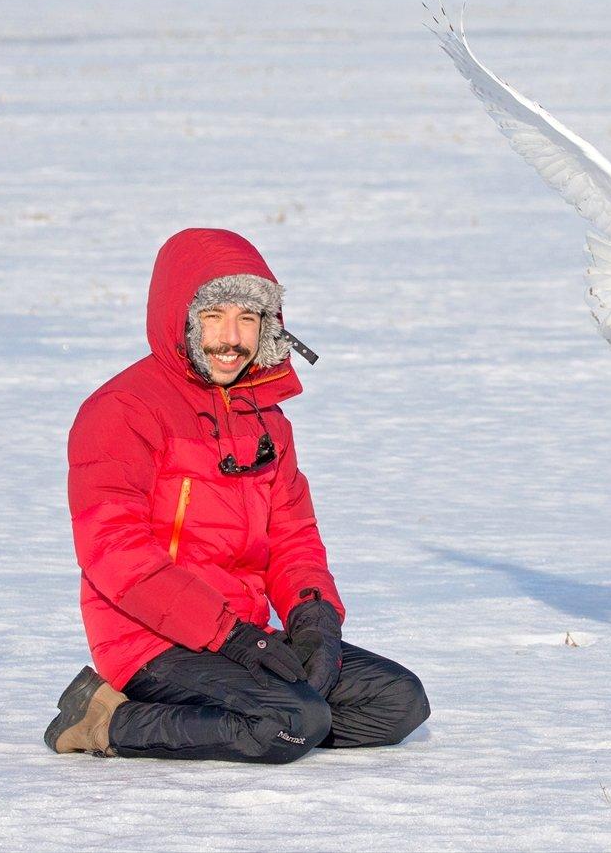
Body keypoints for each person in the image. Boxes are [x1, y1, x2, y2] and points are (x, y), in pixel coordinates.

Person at [44, 228, 429, 763]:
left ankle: (240, 716)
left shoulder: (266, 419)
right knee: (291, 721)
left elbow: (293, 537)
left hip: (246, 633)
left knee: (396, 702)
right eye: (213, 317)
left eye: (248, 319)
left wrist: (313, 621)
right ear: (180, 321)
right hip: (150, 638)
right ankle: (107, 721)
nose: (232, 337)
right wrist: (229, 636)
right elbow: (114, 551)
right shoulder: (122, 411)